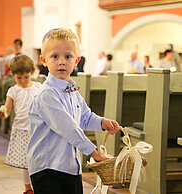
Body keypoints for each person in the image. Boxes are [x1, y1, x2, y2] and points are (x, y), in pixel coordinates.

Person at [27, 28, 120, 194]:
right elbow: (67, 127)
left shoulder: (72, 91)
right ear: (43, 60)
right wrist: (94, 153)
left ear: (76, 60)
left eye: (68, 56)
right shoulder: (47, 94)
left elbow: (85, 117)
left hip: (69, 166)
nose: (62, 61)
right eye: (55, 56)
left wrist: (102, 123)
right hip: (48, 167)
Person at [0, 54, 41, 194]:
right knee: (25, 162)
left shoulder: (38, 87)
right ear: (13, 75)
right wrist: (3, 113)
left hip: (38, 128)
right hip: (21, 129)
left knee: (39, 159)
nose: (22, 80)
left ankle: (40, 186)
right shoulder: (13, 90)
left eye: (26, 77)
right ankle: (28, 188)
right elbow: (7, 110)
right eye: (19, 78)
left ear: (32, 73)